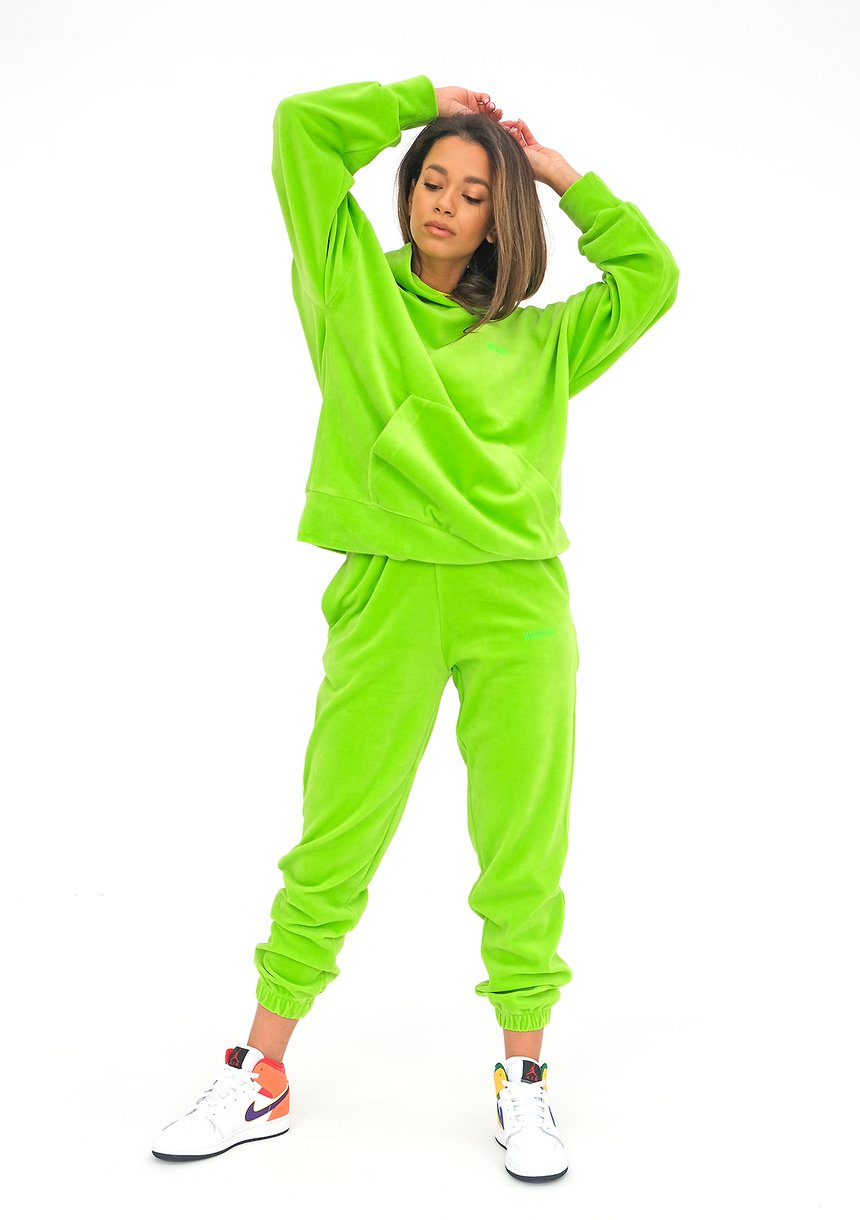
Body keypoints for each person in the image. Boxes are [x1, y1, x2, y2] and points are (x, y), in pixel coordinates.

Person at [151, 74, 679, 1182]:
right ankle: (260, 1068)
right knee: (334, 837)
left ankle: (523, 1078)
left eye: (476, 192)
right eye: (433, 181)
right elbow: (300, 131)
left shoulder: (543, 341)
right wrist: (419, 98)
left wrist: (559, 175)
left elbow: (651, 276)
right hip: (389, 592)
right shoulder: (350, 285)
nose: (446, 203)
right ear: (406, 193)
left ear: (501, 217)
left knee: (521, 844)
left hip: (516, 603)